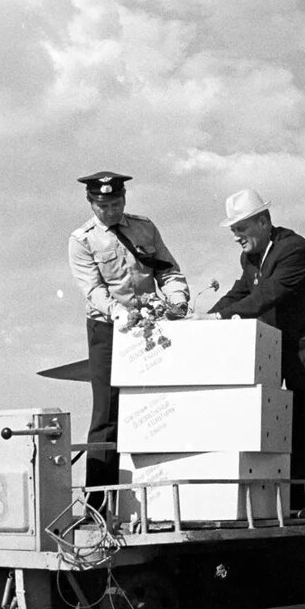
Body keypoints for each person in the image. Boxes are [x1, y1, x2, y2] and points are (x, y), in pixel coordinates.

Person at [196, 188, 305, 516]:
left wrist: (217, 319)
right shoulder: (252, 258)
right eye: (233, 230)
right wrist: (201, 319)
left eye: (241, 228)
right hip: (297, 358)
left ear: (264, 221)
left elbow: (267, 296)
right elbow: (239, 293)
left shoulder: (294, 250)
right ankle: (298, 503)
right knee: (295, 433)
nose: (236, 236)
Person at [68, 171, 189, 511]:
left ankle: (159, 500)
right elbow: (93, 289)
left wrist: (177, 299)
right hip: (108, 329)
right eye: (103, 205)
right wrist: (118, 312)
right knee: (107, 414)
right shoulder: (81, 240)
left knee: (158, 405)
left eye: (116, 204)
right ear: (91, 203)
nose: (110, 211)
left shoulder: (144, 228)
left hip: (150, 325)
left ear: (124, 199)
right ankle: (97, 505)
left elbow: (167, 269)